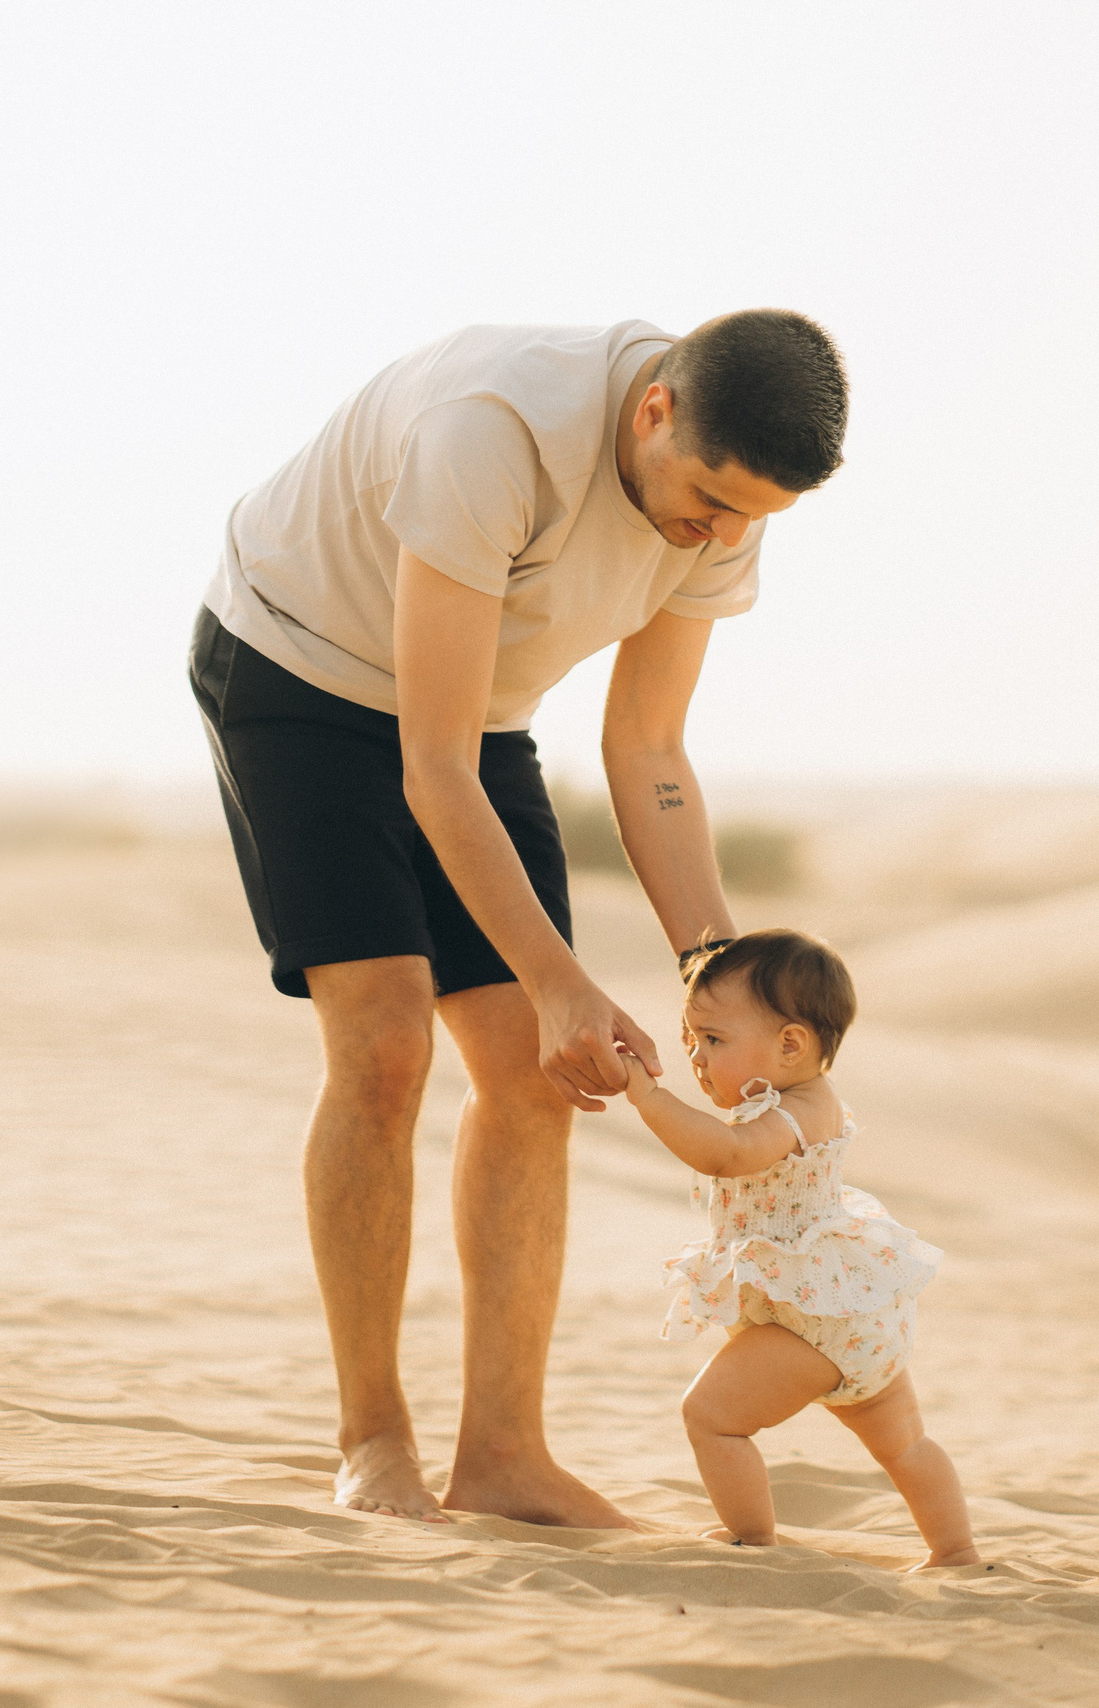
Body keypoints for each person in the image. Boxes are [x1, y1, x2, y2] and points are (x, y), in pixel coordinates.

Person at [188, 312, 849, 1527]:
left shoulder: (720, 511)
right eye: (706, 500)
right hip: (300, 673)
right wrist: (556, 981)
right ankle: (372, 1440)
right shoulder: (492, 430)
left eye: (751, 517)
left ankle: (501, 1453)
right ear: (653, 409)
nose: (719, 535)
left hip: (473, 713)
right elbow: (429, 769)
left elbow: (647, 748)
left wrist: (721, 980)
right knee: (386, 1044)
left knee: (540, 1079)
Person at [615, 930, 977, 1569]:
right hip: (856, 1323)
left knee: (712, 1417)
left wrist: (648, 1097)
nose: (697, 1058)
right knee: (905, 1447)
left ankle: (751, 1539)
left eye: (714, 1040)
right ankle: (956, 1552)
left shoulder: (792, 1114)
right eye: (691, 1040)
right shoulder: (797, 1103)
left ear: (790, 1045)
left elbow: (727, 1156)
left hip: (815, 1324)